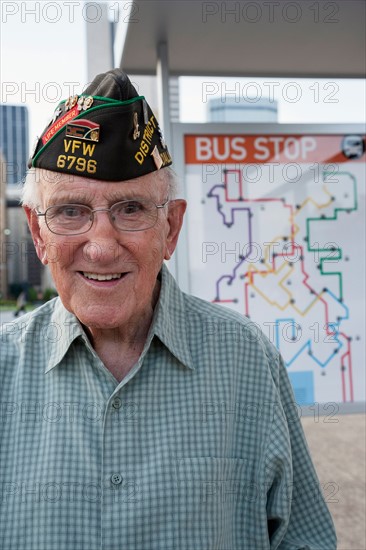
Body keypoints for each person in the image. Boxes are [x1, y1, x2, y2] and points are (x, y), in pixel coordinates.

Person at [0, 69, 337, 549]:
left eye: (130, 209)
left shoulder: (247, 362)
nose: (100, 247)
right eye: (70, 211)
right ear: (37, 233)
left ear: (171, 229)